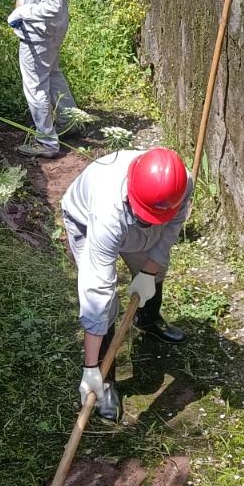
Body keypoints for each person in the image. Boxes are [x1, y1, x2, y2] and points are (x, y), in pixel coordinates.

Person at [60, 148, 193, 419]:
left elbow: (171, 228)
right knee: (106, 304)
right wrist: (90, 369)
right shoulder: (107, 213)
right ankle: (104, 379)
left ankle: (148, 320)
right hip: (86, 220)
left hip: (141, 216)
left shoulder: (181, 185)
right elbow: (97, 292)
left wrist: (149, 272)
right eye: (144, 217)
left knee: (156, 271)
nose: (146, 223)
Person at [7, 0, 79, 158]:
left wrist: (22, 12)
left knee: (35, 86)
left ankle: (47, 142)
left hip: (39, 33)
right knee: (52, 73)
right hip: (49, 31)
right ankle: (69, 121)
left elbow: (52, 5)